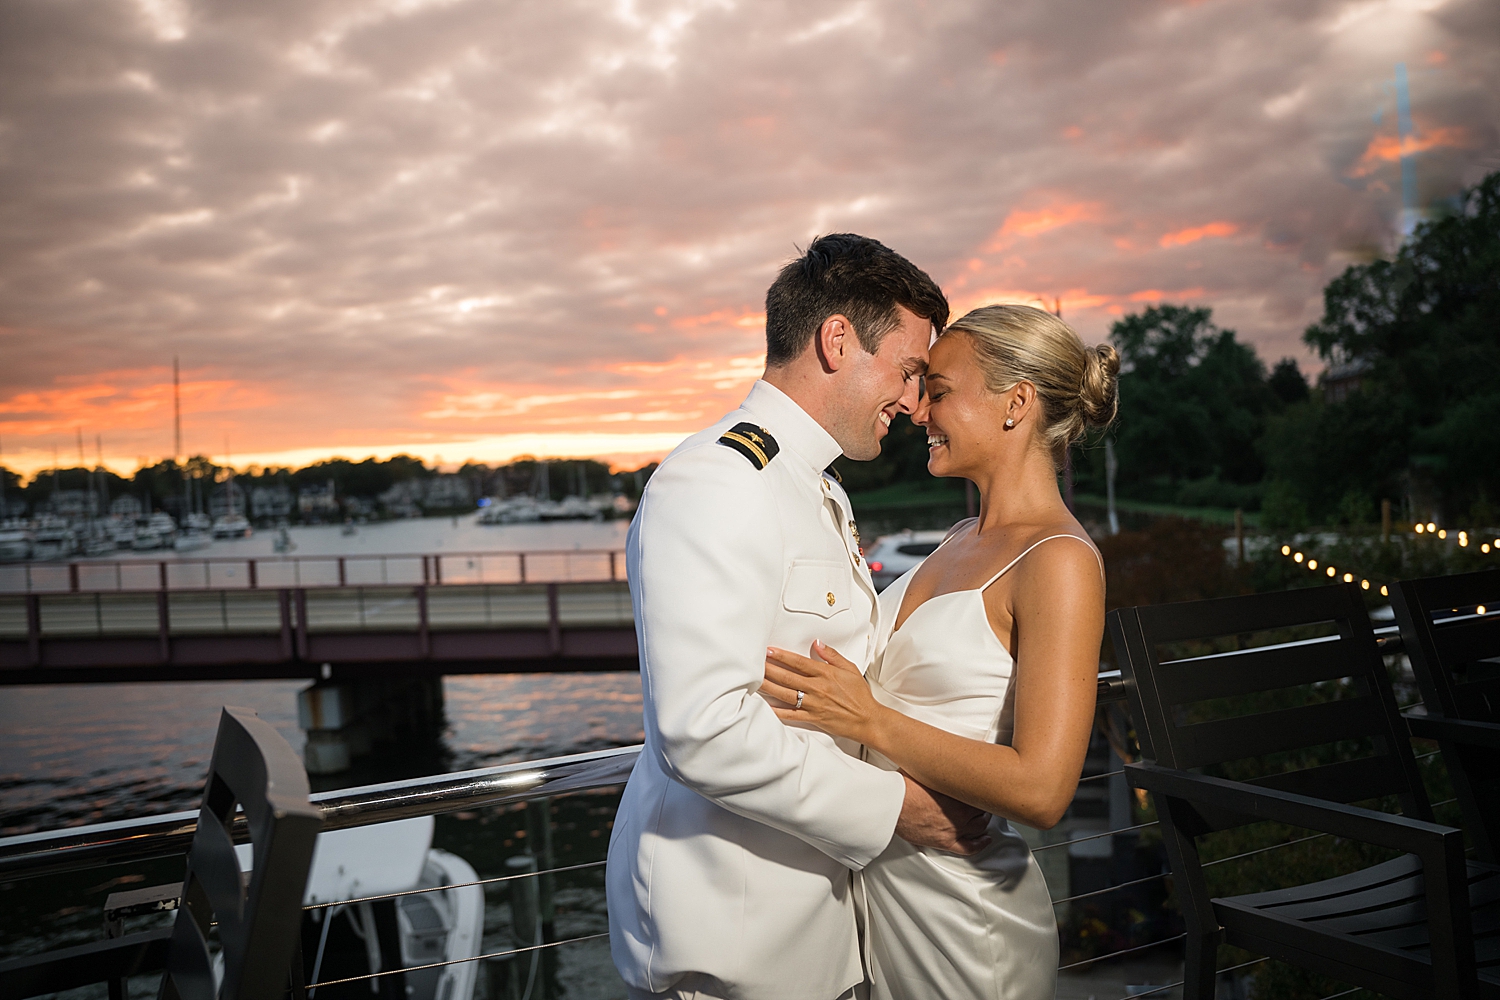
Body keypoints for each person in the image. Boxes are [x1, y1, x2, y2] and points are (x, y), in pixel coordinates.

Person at [606, 234, 993, 1000]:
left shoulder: (813, 486)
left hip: (811, 930)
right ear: (837, 339)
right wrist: (899, 810)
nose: (916, 403)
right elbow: (704, 727)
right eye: (909, 370)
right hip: (733, 940)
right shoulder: (716, 480)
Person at [762, 303, 1119, 1000]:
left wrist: (870, 721)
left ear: (1016, 404)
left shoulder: (1060, 562)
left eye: (941, 390)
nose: (918, 410)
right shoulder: (958, 537)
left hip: (966, 923)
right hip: (883, 899)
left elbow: (1044, 791)